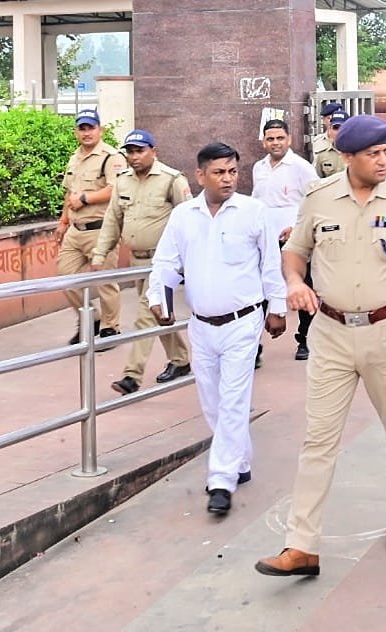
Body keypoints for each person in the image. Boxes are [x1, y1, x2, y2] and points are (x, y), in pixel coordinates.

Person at [255, 116, 386, 578]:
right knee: (318, 438)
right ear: (347, 157)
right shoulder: (319, 197)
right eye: (373, 154)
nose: (384, 160)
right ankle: (302, 545)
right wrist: (294, 282)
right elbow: (295, 251)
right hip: (331, 332)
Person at [147, 142, 287, 516]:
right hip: (201, 325)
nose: (227, 179)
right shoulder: (183, 216)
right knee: (211, 401)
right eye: (219, 172)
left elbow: (270, 263)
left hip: (243, 322)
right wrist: (158, 299)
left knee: (233, 399)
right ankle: (240, 461)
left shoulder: (254, 212)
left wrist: (277, 307)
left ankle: (221, 480)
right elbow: (165, 263)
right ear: (200, 175)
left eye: (232, 172)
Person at [93, 130, 193, 395]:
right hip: (137, 261)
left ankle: (131, 375)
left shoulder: (172, 179)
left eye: (140, 151)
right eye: (130, 152)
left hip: (163, 263)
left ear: (153, 151)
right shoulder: (123, 181)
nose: (135, 156)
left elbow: (190, 220)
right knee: (158, 313)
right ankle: (180, 359)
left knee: (146, 313)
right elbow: (113, 219)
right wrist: (100, 254)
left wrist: (189, 259)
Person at [56, 109, 127, 346]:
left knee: (105, 281)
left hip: (101, 230)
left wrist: (86, 199)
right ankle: (91, 318)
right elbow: (69, 192)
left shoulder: (112, 157)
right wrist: (63, 221)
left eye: (91, 128)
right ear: (76, 132)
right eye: (82, 128)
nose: (86, 133)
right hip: (75, 230)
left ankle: (110, 328)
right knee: (65, 277)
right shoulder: (74, 158)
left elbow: (116, 189)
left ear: (100, 130)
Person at [252, 118, 318, 362]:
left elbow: (316, 200)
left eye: (280, 138)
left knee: (302, 286)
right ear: (264, 142)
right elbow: (257, 201)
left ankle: (306, 339)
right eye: (270, 139)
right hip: (264, 240)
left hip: (294, 241)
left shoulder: (300, 167)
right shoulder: (259, 167)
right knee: (259, 291)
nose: (275, 143)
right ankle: (253, 346)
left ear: (289, 139)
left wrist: (298, 228)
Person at [310, 100, 343, 169]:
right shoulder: (317, 141)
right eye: (329, 118)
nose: (332, 122)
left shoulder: (351, 140)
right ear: (323, 120)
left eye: (335, 118)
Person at [313, 111, 347, 178]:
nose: (339, 132)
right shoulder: (322, 154)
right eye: (336, 128)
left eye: (343, 128)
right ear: (330, 130)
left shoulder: (357, 152)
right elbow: (317, 180)